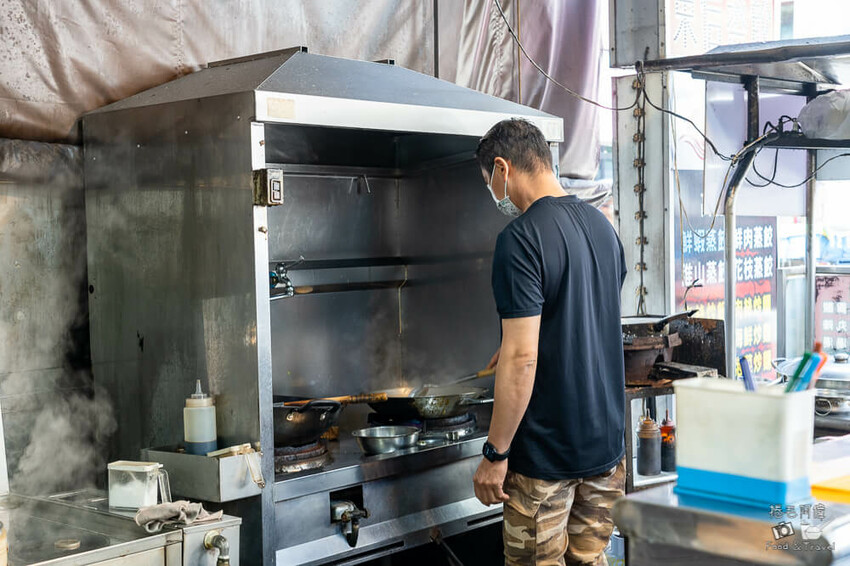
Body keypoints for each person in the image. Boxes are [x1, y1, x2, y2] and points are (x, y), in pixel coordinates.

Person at [472, 119, 627, 566]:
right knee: (592, 561)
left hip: (546, 460)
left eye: (490, 181)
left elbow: (522, 358)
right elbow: (583, 322)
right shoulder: (602, 228)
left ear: (503, 168)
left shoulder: (520, 239)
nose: (494, 192)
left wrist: (495, 453)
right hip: (605, 453)